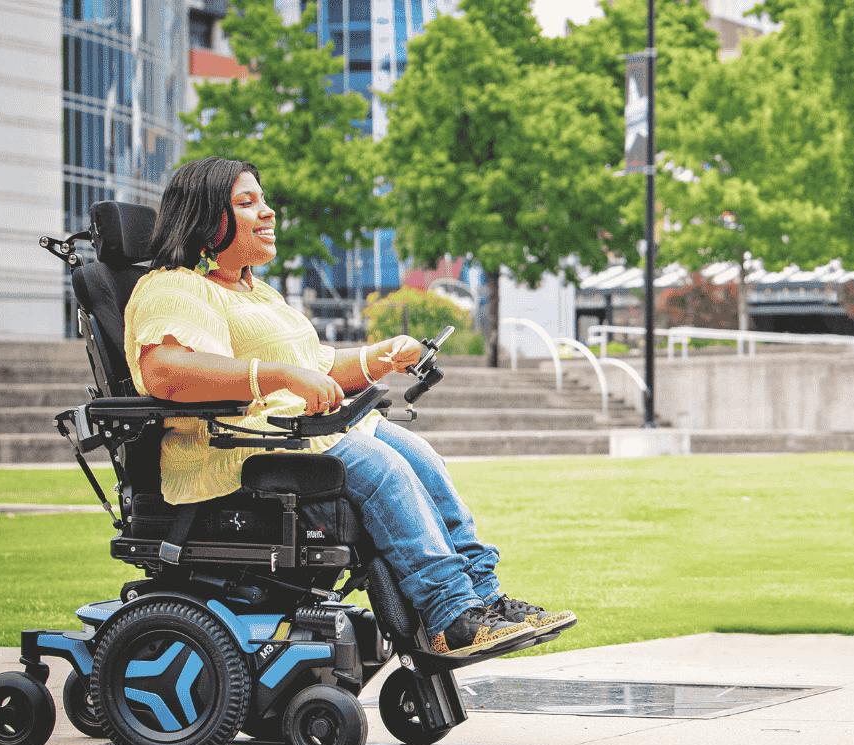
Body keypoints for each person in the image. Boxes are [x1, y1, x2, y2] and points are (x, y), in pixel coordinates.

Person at [123, 156, 575, 657]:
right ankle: (451, 615)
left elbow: (314, 365)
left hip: (295, 433)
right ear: (206, 219)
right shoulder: (175, 285)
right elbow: (166, 372)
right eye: (247, 203)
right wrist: (274, 376)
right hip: (230, 450)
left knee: (419, 455)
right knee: (380, 467)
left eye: (265, 199)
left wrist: (384, 356)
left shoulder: (258, 293)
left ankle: (485, 603)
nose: (269, 213)